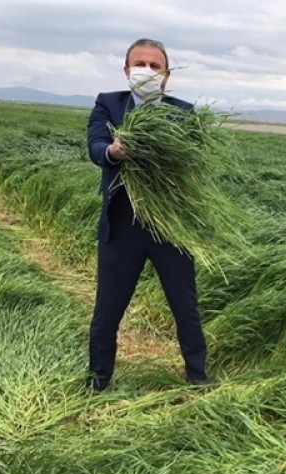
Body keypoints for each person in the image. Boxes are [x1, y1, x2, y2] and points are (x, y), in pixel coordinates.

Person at [86, 39, 208, 392]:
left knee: (184, 304)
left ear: (167, 76)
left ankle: (197, 375)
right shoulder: (108, 104)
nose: (148, 71)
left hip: (169, 226)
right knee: (108, 307)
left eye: (156, 66)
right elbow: (95, 146)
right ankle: (99, 378)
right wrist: (113, 151)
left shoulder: (183, 113)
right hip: (122, 224)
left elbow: (194, 160)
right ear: (126, 71)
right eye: (140, 64)